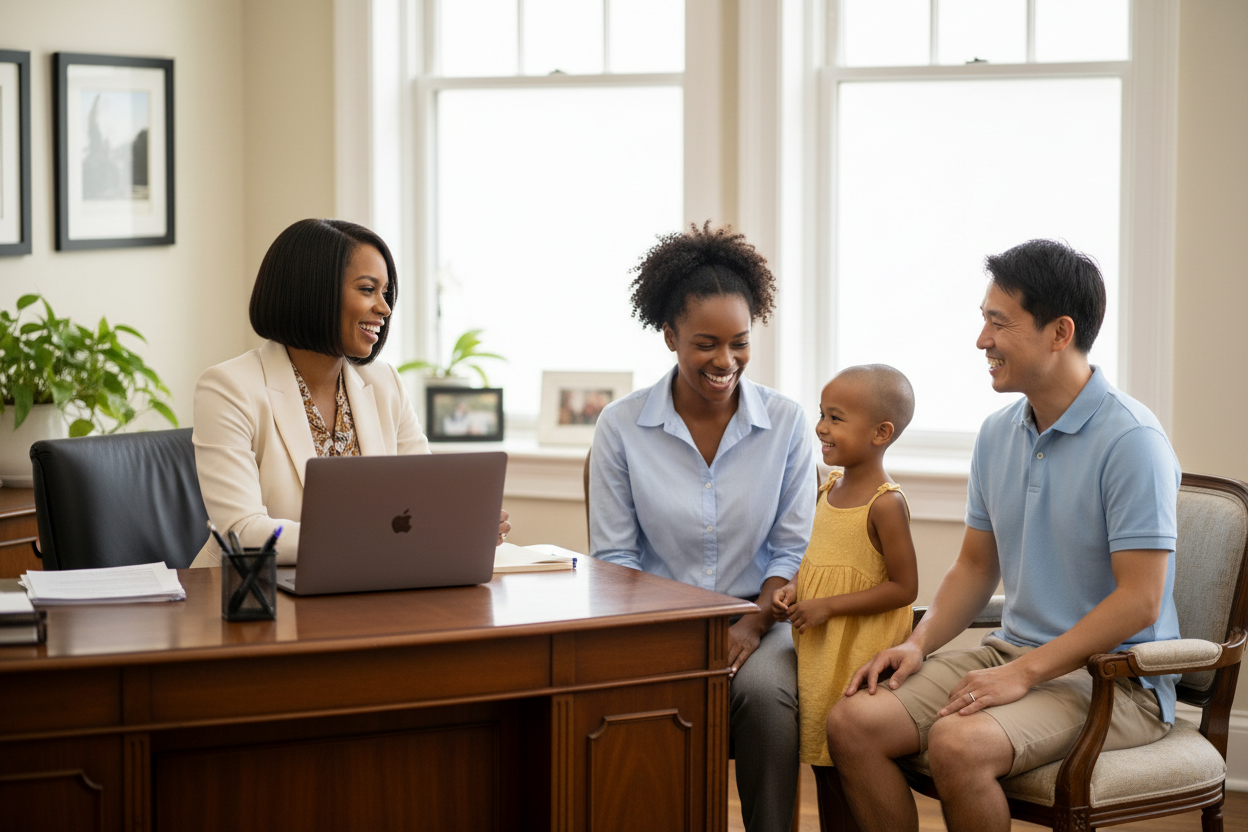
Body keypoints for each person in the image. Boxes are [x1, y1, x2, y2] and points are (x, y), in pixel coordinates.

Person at [825, 239, 1181, 832]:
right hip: (1015, 651)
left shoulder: (1132, 441)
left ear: (1059, 332)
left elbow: (1139, 599)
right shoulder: (997, 434)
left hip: (1114, 680)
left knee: (957, 745)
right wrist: (919, 644)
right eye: (982, 321)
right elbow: (973, 566)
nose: (981, 341)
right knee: (852, 724)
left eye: (998, 323)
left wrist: (1023, 672)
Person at [589, 222, 816, 832]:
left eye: (739, 343)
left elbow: (792, 550)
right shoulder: (621, 426)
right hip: (653, 625)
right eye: (705, 343)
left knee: (768, 698)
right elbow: (615, 558)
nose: (726, 361)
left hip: (761, 621)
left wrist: (751, 623)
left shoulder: (789, 424)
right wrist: (673, 638)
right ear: (669, 336)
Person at [190, 218, 510, 567]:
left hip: (360, 587)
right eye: (367, 289)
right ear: (315, 291)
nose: (385, 308)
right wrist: (377, 535)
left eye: (385, 292)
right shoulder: (228, 387)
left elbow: (422, 498)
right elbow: (243, 532)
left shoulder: (384, 382)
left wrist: (458, 524)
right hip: (249, 597)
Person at [770, 364, 919, 770]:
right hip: (820, 654)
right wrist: (795, 587)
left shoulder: (886, 504)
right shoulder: (827, 488)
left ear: (880, 433)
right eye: (821, 414)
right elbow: (820, 559)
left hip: (855, 658)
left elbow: (905, 589)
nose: (821, 427)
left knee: (851, 767)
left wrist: (828, 606)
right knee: (824, 766)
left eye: (835, 418)